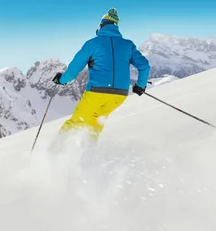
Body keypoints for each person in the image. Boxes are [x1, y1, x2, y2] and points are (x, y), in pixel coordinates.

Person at [51, 8, 150, 144]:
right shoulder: (128, 45)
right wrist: (140, 85)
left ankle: (54, 155)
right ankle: (89, 156)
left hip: (97, 92)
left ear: (101, 26)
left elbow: (74, 69)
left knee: (76, 122)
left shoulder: (93, 44)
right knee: (95, 124)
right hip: (119, 95)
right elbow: (144, 66)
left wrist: (61, 80)